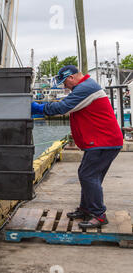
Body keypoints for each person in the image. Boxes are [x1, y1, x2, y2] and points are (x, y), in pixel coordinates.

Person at [31, 65, 124, 229]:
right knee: (89, 175)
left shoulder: (85, 88)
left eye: (64, 82)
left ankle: (99, 214)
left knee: (88, 175)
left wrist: (35, 107)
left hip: (104, 141)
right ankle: (86, 208)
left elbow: (61, 108)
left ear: (71, 77)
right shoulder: (86, 87)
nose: (64, 86)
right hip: (102, 141)